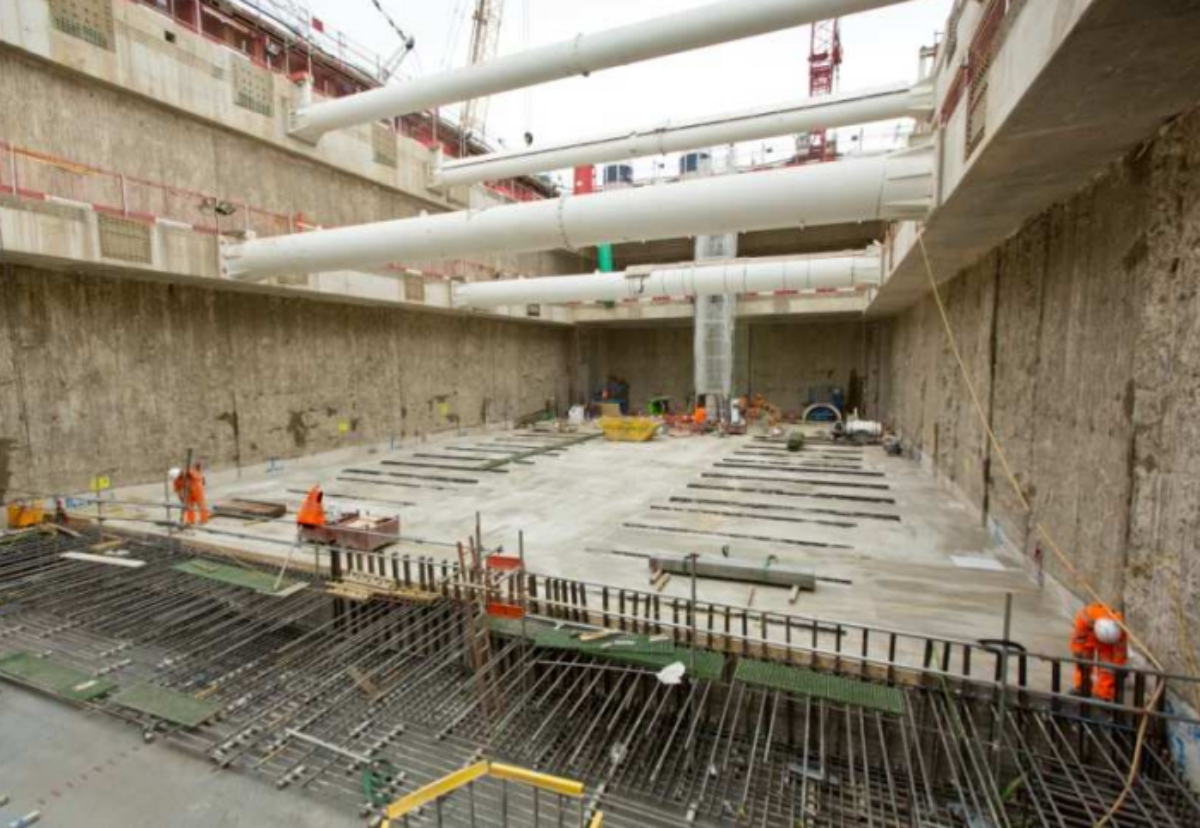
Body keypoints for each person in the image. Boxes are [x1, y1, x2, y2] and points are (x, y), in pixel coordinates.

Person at [1070, 602, 1128, 701]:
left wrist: (1119, 666)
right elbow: (1078, 637)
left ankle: (1104, 694)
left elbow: (1120, 654)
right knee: (1084, 661)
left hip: (1108, 644)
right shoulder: (1086, 617)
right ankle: (1082, 686)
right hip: (1090, 635)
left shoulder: (1119, 631)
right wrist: (1077, 651)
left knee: (1108, 667)